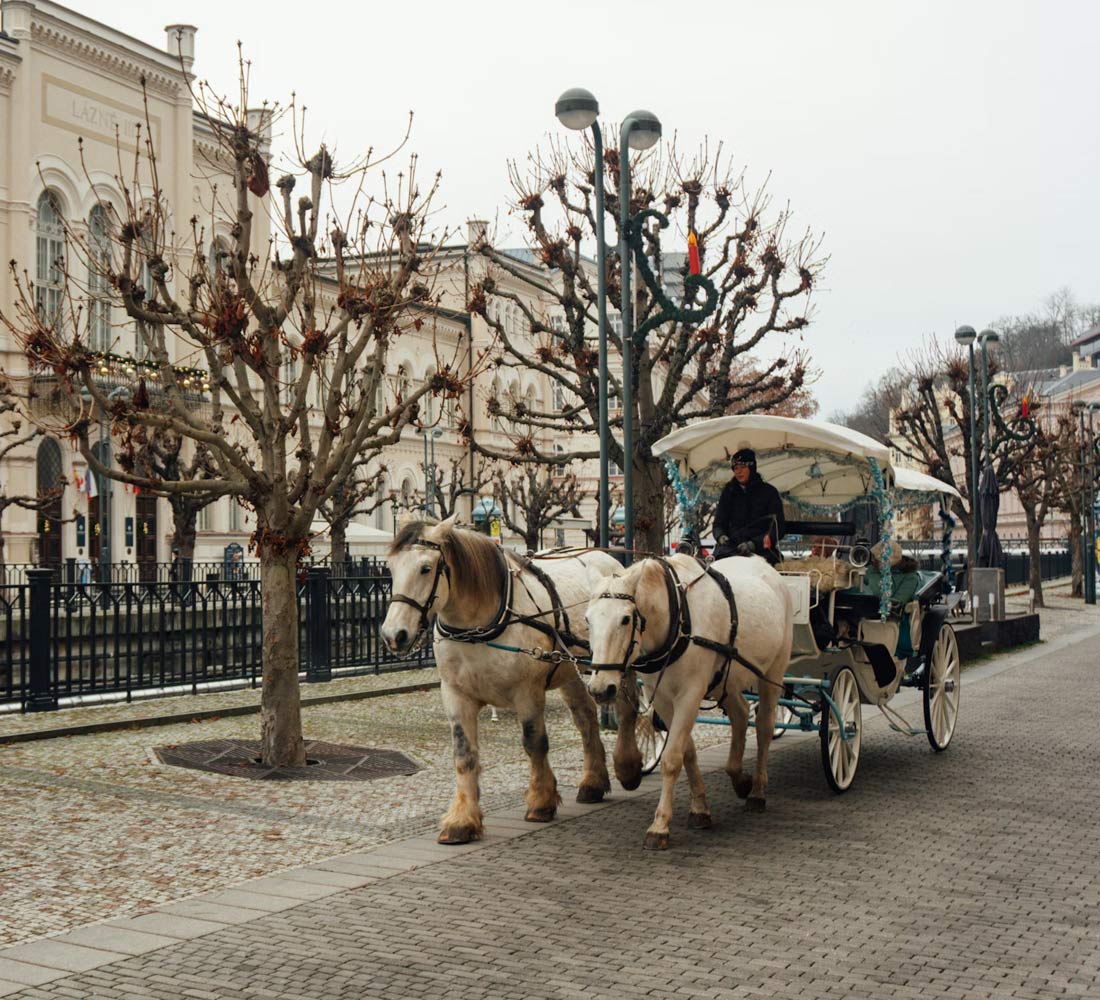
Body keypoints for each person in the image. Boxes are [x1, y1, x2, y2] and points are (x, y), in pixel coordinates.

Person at [712, 447, 785, 565]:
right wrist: (720, 536)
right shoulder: (728, 491)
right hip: (730, 548)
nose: (738, 471)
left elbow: (778, 528)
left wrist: (753, 544)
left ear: (752, 467)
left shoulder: (769, 492)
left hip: (760, 550)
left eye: (742, 467)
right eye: (735, 468)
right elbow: (718, 523)